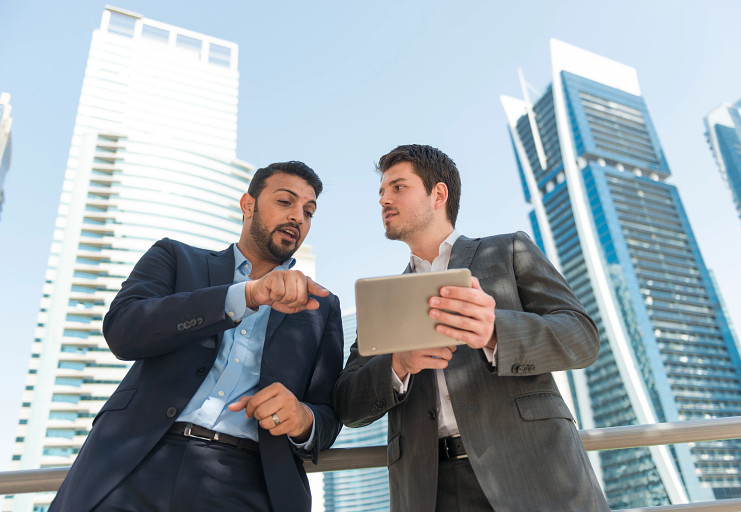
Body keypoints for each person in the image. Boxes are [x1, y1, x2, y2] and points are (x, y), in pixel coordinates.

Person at [50, 161, 344, 512]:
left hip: (249, 481)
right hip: (136, 462)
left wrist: (303, 419)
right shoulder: (174, 257)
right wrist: (246, 296)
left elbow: (327, 415)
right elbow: (123, 330)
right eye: (286, 202)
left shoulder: (321, 307)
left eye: (309, 212)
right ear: (247, 204)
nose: (298, 217)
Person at [333, 144, 610, 511]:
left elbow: (582, 337)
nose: (384, 199)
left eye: (398, 187)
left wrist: (496, 330)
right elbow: (347, 405)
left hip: (533, 473)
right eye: (381, 192)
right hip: (431, 491)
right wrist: (399, 364)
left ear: (438, 194)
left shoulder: (508, 250)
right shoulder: (381, 300)